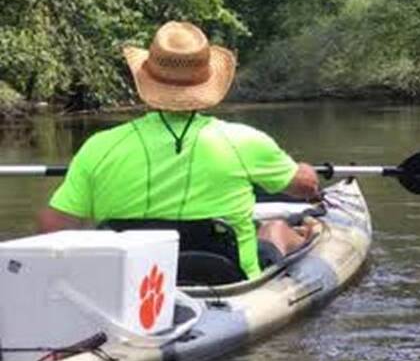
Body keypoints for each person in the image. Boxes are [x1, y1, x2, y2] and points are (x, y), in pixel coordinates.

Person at [37, 21, 321, 280]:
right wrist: (305, 171)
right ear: (208, 85)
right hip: (227, 279)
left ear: (145, 83)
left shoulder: (99, 146)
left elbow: (53, 225)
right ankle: (293, 232)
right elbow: (305, 188)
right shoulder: (244, 141)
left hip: (129, 284)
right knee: (273, 229)